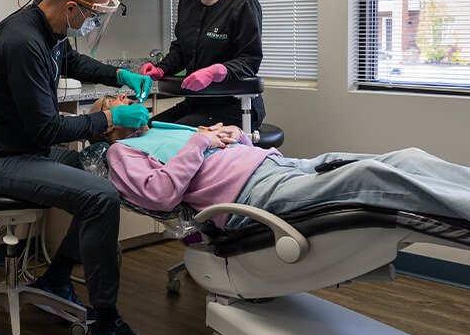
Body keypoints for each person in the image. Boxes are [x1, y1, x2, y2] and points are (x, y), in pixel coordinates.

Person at [0, 0, 162, 335]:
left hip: (25, 151)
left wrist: (119, 75)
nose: (91, 21)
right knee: (101, 196)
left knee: (104, 174)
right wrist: (110, 120)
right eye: (90, 13)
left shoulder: (47, 28)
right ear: (71, 7)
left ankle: (56, 278)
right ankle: (106, 329)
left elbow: (72, 62)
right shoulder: (21, 41)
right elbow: (48, 127)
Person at [91, 95, 470, 234]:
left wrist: (230, 136)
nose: (125, 97)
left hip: (284, 167)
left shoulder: (159, 127)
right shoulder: (122, 153)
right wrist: (200, 140)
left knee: (406, 157)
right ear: (107, 126)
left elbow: (211, 149)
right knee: (371, 177)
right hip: (254, 196)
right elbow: (159, 196)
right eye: (113, 103)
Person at [139, 0, 265, 129]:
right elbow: (181, 49)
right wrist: (161, 69)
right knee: (148, 130)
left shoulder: (243, 4)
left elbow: (249, 60)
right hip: (196, 103)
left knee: (174, 139)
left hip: (234, 107)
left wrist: (214, 72)